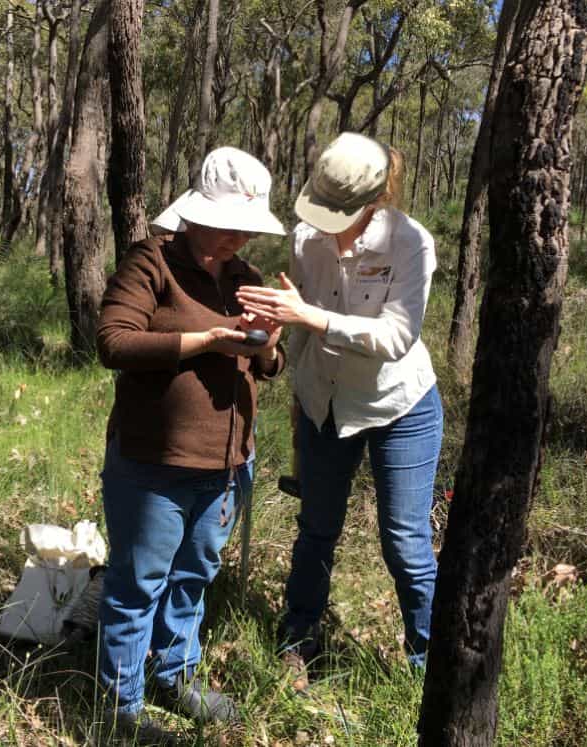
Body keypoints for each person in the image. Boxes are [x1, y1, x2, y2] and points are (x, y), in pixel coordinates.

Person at [96, 147, 287, 741]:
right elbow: (114, 343)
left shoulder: (246, 279)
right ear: (198, 213)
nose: (239, 237)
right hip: (154, 461)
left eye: (247, 228)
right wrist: (205, 341)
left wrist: (266, 347)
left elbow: (268, 365)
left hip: (228, 464)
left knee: (193, 577)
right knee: (138, 583)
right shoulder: (150, 263)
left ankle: (173, 676)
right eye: (231, 224)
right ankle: (119, 710)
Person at [236, 132, 443, 678]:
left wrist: (311, 318)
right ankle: (298, 641)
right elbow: (296, 321)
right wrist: (280, 362)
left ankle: (429, 664)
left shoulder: (410, 243)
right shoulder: (306, 239)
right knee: (316, 528)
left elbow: (397, 337)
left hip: (400, 405)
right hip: (322, 403)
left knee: (405, 541)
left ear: (374, 198)